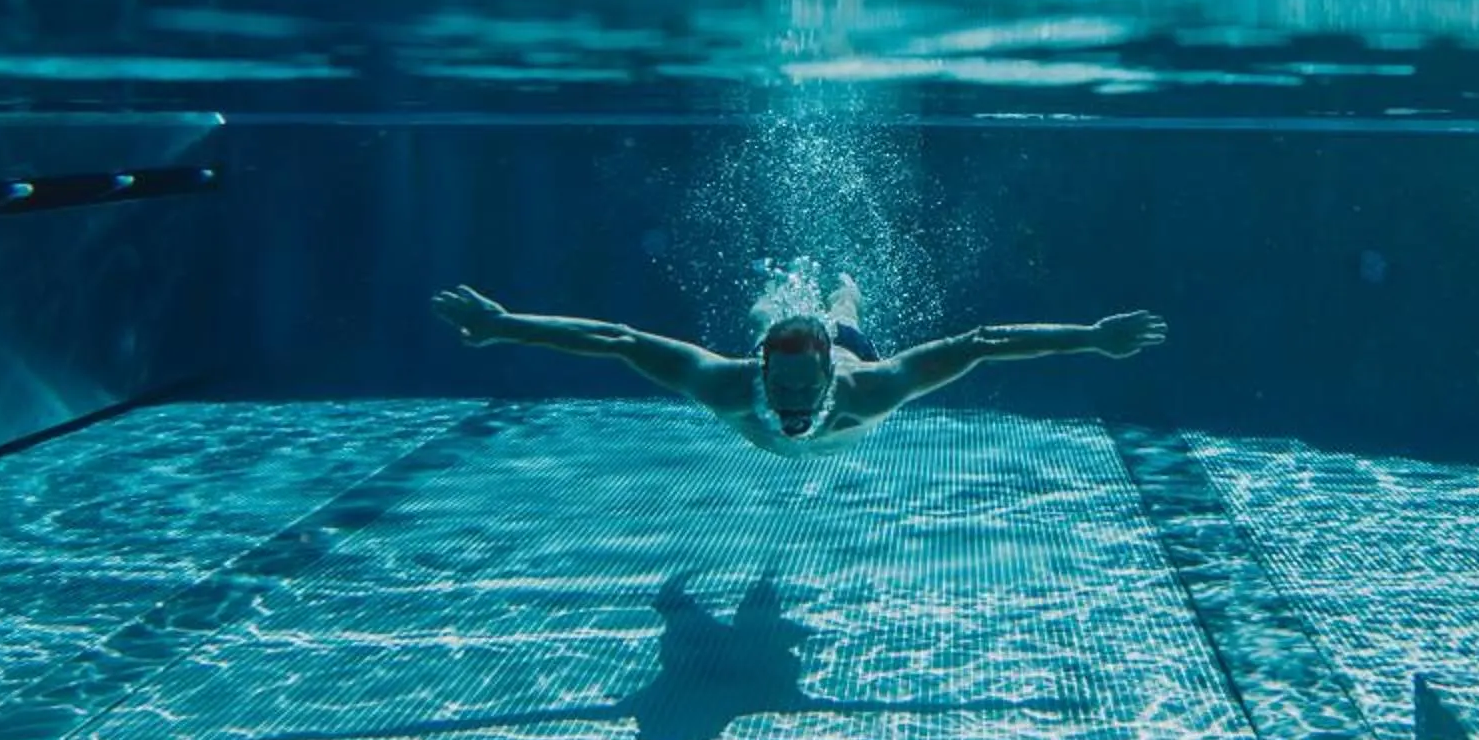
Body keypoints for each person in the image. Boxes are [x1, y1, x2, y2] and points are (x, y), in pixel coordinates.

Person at [428, 274, 1167, 455]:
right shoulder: (724, 380)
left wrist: (1092, 336)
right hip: (772, 349)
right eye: (777, 386)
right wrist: (503, 326)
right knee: (762, 314)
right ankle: (775, 296)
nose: (785, 407)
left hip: (845, 347)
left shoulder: (869, 386)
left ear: (827, 378)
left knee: (847, 321)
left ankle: (838, 293)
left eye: (797, 389)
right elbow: (618, 338)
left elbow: (980, 341)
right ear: (759, 370)